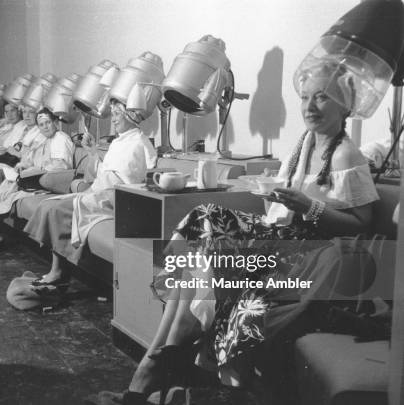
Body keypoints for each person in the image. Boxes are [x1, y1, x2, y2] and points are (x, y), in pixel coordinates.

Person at [89, 63, 379, 405]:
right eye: (304, 97)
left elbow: (363, 223)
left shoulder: (347, 154)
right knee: (204, 221)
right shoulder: (303, 145)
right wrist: (277, 196)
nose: (309, 106)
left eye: (321, 98)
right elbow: (283, 205)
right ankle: (162, 361)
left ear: (344, 105)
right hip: (279, 238)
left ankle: (152, 371)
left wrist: (308, 208)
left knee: (209, 250)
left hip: (306, 256)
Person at [23, 100, 157, 286]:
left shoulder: (139, 143)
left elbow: (134, 181)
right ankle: (59, 270)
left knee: (56, 209)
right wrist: (93, 152)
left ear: (129, 116)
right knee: (49, 204)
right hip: (99, 192)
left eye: (117, 114)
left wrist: (101, 188)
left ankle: (58, 272)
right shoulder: (119, 141)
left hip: (115, 200)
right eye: (113, 114)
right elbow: (105, 172)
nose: (114, 120)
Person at [0, 107, 75, 251]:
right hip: (32, 175)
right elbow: (31, 159)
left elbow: (61, 167)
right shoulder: (44, 140)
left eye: (48, 123)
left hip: (48, 181)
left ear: (55, 123)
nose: (45, 127)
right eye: (41, 124)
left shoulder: (60, 138)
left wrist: (33, 169)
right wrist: (23, 165)